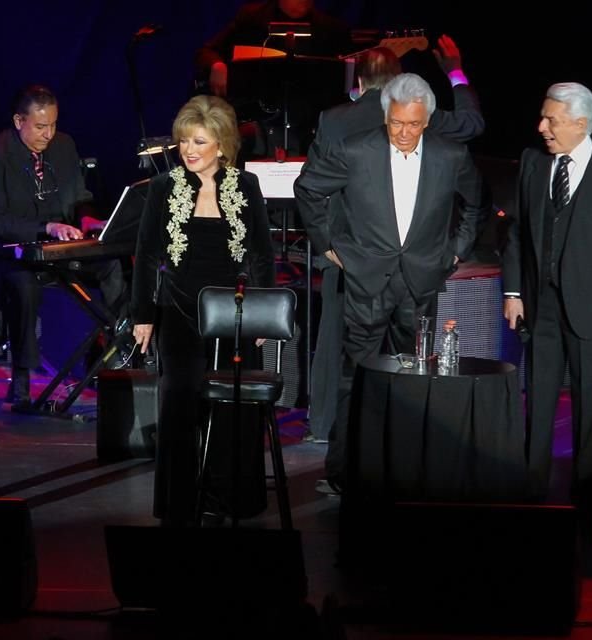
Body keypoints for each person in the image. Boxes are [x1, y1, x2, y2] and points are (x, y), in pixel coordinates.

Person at [306, 38, 486, 495]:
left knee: (414, 378)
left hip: (420, 280)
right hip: (366, 279)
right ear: (385, 114)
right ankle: (343, 472)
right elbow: (308, 188)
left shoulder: (449, 155)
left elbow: (476, 202)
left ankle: (407, 468)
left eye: (413, 125)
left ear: (427, 120)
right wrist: (328, 244)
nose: (404, 133)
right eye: (396, 123)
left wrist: (456, 250)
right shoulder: (356, 150)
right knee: (356, 378)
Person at [502, 82, 592, 540]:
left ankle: (587, 503)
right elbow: (517, 235)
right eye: (543, 117)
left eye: (552, 120)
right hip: (539, 304)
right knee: (538, 401)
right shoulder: (532, 163)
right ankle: (531, 491)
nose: (541, 127)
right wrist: (512, 292)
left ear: (581, 124)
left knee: (588, 408)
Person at [131, 95, 276, 526]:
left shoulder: (245, 186)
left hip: (233, 314)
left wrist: (262, 312)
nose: (189, 150)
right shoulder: (163, 187)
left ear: (222, 145)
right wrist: (143, 315)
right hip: (178, 310)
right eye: (184, 142)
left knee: (232, 408)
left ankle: (228, 497)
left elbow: (263, 255)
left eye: (199, 141)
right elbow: (145, 254)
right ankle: (179, 502)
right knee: (178, 404)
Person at [0, 84, 126, 409]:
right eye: (40, 126)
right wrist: (46, 228)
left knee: (111, 263)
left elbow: (80, 197)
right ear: (18, 121)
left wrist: (86, 220)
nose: (48, 134)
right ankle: (22, 381)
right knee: (23, 286)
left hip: (61, 247)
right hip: (13, 253)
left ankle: (116, 350)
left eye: (53, 124)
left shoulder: (64, 146)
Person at [195, 0, 352, 156]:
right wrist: (217, 65)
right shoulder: (251, 17)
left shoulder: (331, 27)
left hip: (309, 123)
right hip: (259, 117)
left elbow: (349, 68)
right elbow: (207, 52)